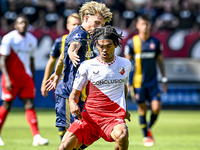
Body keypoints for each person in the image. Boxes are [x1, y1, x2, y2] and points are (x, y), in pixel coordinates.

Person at [45, 1, 112, 148]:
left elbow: (62, 56)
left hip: (81, 96)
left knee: (85, 136)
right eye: (97, 22)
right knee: (70, 140)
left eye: (102, 24)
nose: (99, 27)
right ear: (86, 18)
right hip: (69, 95)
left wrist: (57, 74)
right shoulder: (80, 34)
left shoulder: (89, 36)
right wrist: (72, 51)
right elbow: (74, 45)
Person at [57, 25, 131, 150]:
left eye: (108, 45)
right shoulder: (87, 65)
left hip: (112, 118)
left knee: (122, 135)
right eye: (101, 46)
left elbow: (123, 87)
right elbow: (74, 94)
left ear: (116, 45)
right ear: (96, 45)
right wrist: (73, 104)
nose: (104, 50)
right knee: (64, 147)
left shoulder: (125, 64)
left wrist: (125, 109)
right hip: (89, 118)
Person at [0, 15, 48, 146]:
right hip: (11, 78)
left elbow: (32, 62)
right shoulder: (9, 39)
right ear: (15, 25)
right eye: (20, 23)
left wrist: (31, 79)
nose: (23, 25)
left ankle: (36, 137)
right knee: (7, 105)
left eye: (25, 23)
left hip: (25, 78)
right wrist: (7, 79)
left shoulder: (32, 40)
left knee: (30, 104)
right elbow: (2, 61)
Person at [124, 14, 167, 147]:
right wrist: (126, 82)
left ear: (150, 25)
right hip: (138, 83)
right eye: (142, 24)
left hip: (153, 82)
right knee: (142, 109)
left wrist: (164, 79)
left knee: (156, 108)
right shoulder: (132, 43)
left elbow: (160, 62)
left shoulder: (155, 42)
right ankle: (146, 136)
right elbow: (126, 63)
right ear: (137, 26)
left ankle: (148, 128)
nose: (145, 27)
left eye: (147, 24)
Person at [40, 13, 81, 140]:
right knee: (63, 118)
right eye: (73, 24)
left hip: (80, 85)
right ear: (68, 26)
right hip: (64, 84)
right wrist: (44, 82)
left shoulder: (84, 40)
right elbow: (52, 61)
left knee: (78, 120)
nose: (76, 27)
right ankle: (63, 144)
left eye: (78, 24)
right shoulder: (60, 41)